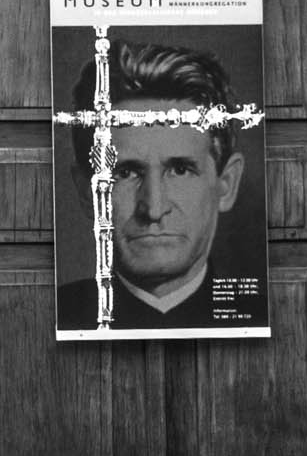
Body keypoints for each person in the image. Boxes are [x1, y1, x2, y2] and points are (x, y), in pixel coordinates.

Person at [54, 39, 268, 331]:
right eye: (126, 172)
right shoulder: (52, 316)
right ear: (86, 193)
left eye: (180, 170)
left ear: (226, 184)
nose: (153, 208)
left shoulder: (268, 317)